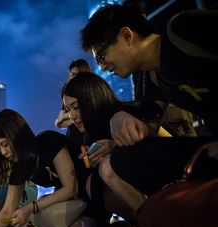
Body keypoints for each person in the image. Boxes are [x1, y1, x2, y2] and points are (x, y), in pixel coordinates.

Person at [62, 72, 217, 225]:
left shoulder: (125, 115)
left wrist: (115, 145)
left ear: (92, 100)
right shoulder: (83, 134)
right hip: (138, 190)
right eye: (68, 110)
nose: (72, 116)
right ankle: (148, 225)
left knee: (107, 167)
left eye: (76, 107)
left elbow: (161, 142)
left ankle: (160, 225)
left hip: (174, 174)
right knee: (93, 183)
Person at [80, 3, 218, 155]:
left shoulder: (183, 29)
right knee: (120, 161)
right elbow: (149, 125)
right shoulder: (146, 75)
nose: (103, 67)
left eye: (101, 57)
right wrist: (120, 123)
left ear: (126, 35)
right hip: (211, 146)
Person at [0, 109, 96, 227]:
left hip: (90, 200)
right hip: (67, 208)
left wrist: (29, 208)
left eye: (5, 144)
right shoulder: (19, 167)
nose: (3, 152)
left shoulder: (49, 142)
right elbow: (7, 210)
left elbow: (71, 189)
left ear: (17, 135)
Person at [55, 59, 91, 131]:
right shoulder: (67, 92)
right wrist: (73, 118)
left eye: (76, 107)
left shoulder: (91, 90)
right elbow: (59, 122)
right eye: (72, 75)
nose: (74, 78)